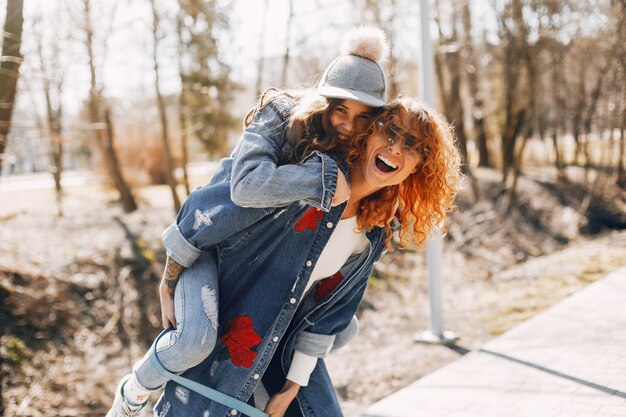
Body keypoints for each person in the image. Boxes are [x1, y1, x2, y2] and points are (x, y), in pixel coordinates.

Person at [106, 26, 389, 417]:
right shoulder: (282, 119)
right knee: (194, 340)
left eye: (362, 118)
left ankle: (260, 382)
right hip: (210, 246)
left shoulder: (346, 160)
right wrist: (170, 278)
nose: (347, 125)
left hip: (257, 266)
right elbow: (244, 188)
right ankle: (134, 391)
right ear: (324, 101)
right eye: (341, 109)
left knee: (342, 328)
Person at [152, 95, 461, 417]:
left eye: (411, 145)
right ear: (368, 133)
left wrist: (291, 390)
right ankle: (135, 389)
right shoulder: (309, 179)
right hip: (225, 329)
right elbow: (212, 210)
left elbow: (331, 314)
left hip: (283, 345)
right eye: (390, 132)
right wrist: (170, 276)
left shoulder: (376, 228)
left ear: (418, 167)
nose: (396, 148)